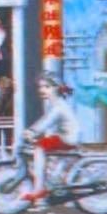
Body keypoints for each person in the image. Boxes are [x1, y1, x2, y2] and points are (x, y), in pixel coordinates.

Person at [22, 72, 80, 205]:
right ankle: (54, 180)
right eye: (41, 87)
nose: (42, 90)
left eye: (47, 87)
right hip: (67, 135)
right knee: (48, 148)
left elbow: (47, 121)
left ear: (56, 88)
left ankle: (39, 188)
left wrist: (32, 131)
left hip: (68, 137)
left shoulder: (58, 105)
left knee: (39, 148)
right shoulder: (56, 103)